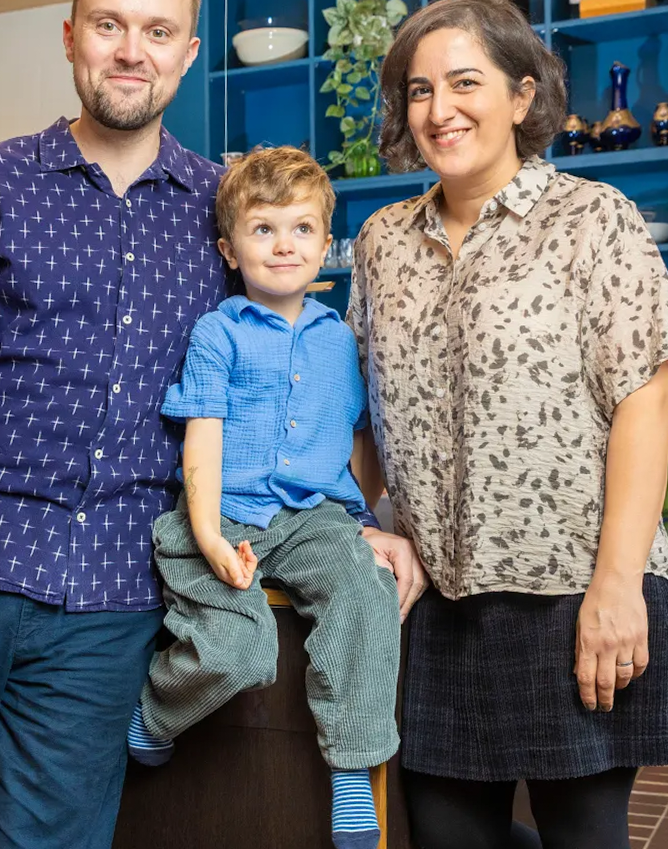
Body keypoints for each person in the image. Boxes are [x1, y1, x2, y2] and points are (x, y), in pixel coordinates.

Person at [0, 0, 425, 849]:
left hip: (114, 602)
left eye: (158, 32)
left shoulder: (224, 209)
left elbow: (272, 386)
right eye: (109, 25)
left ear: (188, 54)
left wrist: (343, 518)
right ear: (70, 37)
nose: (132, 51)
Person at [346, 0, 668, 849]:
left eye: (464, 82)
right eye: (420, 90)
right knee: (442, 838)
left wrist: (617, 586)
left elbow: (644, 401)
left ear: (521, 96)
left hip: (573, 593)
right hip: (437, 603)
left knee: (584, 834)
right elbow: (360, 410)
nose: (439, 109)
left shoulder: (593, 219)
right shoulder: (381, 242)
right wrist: (359, 522)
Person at [123, 147, 403, 849]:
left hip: (312, 520)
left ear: (325, 243)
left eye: (302, 229)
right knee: (238, 651)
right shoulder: (218, 332)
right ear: (229, 249)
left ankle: (351, 770)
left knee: (367, 594)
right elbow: (202, 440)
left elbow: (357, 438)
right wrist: (209, 537)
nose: (284, 245)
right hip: (225, 513)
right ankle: (156, 712)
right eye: (264, 229)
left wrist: (361, 520)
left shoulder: (339, 341)